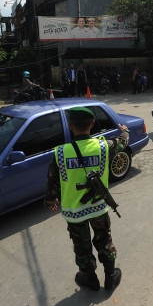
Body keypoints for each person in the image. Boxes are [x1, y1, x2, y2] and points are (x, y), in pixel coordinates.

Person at [45, 107, 129, 292]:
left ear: (70, 126)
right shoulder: (104, 146)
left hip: (74, 213)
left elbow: (52, 182)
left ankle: (89, 279)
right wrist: (125, 131)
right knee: (104, 240)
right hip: (99, 208)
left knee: (81, 247)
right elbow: (122, 142)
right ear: (92, 124)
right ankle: (110, 277)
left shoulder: (60, 152)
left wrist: (51, 201)